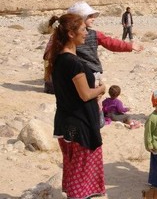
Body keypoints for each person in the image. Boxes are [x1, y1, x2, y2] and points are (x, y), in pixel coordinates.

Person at [47, 13, 107, 198]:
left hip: (67, 124)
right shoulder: (73, 63)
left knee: (73, 165)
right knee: (81, 169)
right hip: (79, 125)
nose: (86, 34)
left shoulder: (59, 59)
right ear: (71, 34)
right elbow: (85, 94)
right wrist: (101, 89)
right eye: (83, 30)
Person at [67, 1, 143, 74]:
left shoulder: (94, 34)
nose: (93, 18)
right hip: (79, 71)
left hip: (91, 71)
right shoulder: (69, 36)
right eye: (90, 16)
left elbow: (110, 43)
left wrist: (129, 46)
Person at [42, 15, 60, 94]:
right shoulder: (59, 36)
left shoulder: (54, 36)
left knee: (48, 73)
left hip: (48, 55)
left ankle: (49, 87)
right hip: (53, 55)